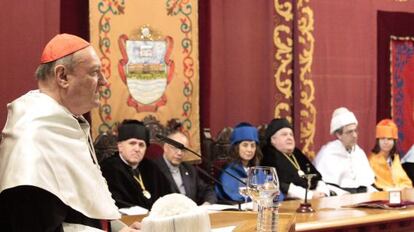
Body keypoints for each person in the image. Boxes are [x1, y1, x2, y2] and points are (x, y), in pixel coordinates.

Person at [0, 34, 139, 231]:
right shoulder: (31, 141)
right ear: (63, 76)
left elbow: (85, 204)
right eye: (95, 72)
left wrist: (119, 228)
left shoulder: (65, 125)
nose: (104, 82)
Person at [100, 119, 172, 210]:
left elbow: (168, 197)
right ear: (120, 146)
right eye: (132, 143)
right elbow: (113, 203)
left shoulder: (152, 168)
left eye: (141, 145)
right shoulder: (108, 169)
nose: (137, 149)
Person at [261, 118, 330, 200]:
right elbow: (281, 185)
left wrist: (323, 192)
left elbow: (317, 177)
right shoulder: (268, 156)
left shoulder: (297, 153)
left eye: (291, 134)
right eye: (284, 134)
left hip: (315, 199)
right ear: (273, 140)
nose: (289, 137)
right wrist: (310, 195)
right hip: (290, 204)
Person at [313, 107, 377, 195]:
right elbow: (325, 185)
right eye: (349, 132)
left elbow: (366, 184)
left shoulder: (359, 152)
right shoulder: (328, 153)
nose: (354, 135)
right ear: (338, 134)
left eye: (355, 131)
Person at [153, 131, 217, 205]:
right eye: (175, 148)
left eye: (183, 149)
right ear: (165, 147)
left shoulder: (190, 169)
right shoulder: (154, 169)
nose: (179, 153)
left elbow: (207, 190)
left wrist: (207, 204)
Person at [215, 122, 262, 202]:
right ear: (236, 148)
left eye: (252, 145)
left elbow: (274, 192)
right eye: (245, 145)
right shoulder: (229, 172)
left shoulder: (258, 171)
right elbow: (234, 195)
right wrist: (261, 196)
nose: (249, 150)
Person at [368, 119, 412, 190]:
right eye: (382, 138)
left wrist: (399, 188)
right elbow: (374, 185)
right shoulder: (372, 162)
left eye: (389, 139)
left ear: (395, 141)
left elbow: (407, 182)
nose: (386, 142)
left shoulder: (395, 159)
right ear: (378, 141)